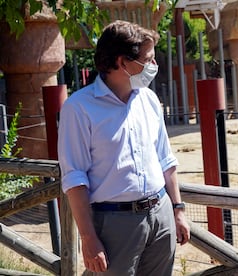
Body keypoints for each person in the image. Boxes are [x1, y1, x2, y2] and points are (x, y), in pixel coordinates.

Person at [58, 20, 190, 275]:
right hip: (113, 223)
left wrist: (177, 209)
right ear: (122, 62)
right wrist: (88, 238)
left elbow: (165, 159)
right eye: (147, 59)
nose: (153, 66)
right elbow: (74, 178)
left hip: (161, 213)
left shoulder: (149, 99)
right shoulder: (79, 108)